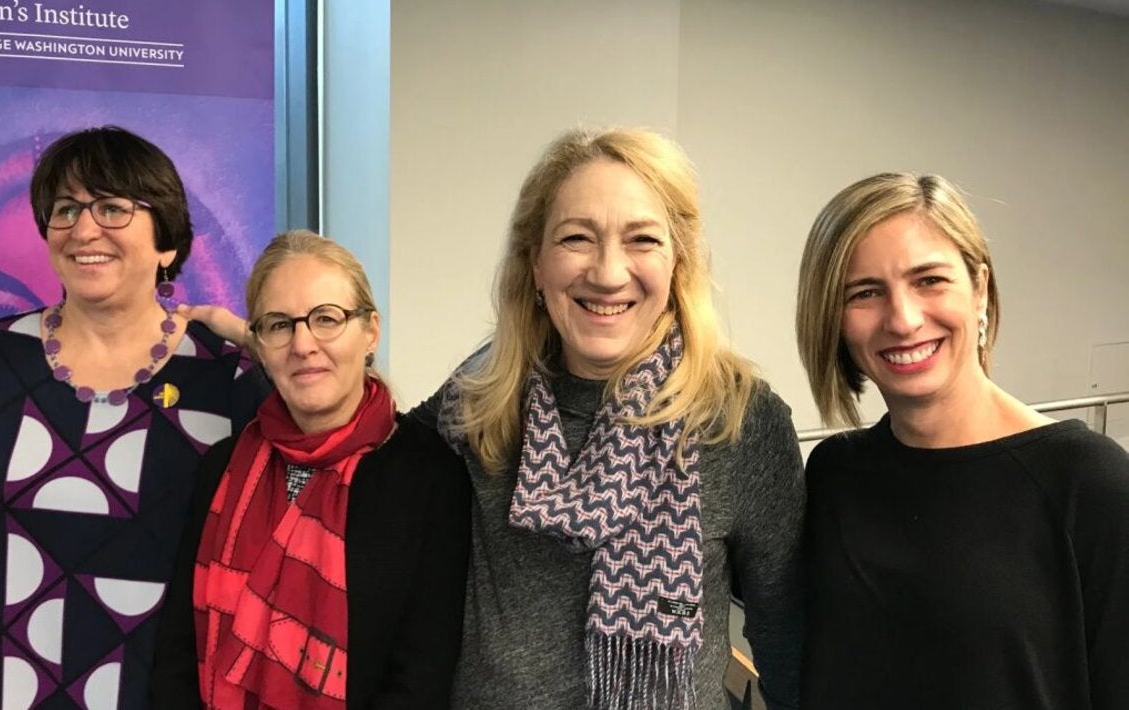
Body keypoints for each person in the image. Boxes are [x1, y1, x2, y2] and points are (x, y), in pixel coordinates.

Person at [412, 127, 805, 710]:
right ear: (536, 264)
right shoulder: (477, 399)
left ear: (678, 263)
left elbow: (785, 637)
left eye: (642, 239)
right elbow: (366, 459)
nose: (608, 272)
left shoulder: (738, 418)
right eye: (576, 238)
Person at [0, 126, 269, 709]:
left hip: (170, 694)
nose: (83, 228)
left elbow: (269, 563)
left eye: (111, 207)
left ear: (167, 242)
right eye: (66, 208)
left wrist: (270, 349)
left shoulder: (225, 375)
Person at [794, 172, 1129, 709]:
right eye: (865, 292)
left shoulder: (1090, 482)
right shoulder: (835, 474)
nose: (903, 319)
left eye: (929, 280)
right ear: (834, 322)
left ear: (980, 289)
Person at [148, 230, 472, 709]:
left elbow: (422, 676)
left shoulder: (432, 476)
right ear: (258, 343)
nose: (303, 344)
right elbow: (178, 653)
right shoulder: (223, 468)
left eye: (327, 319)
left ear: (371, 332)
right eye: (279, 325)